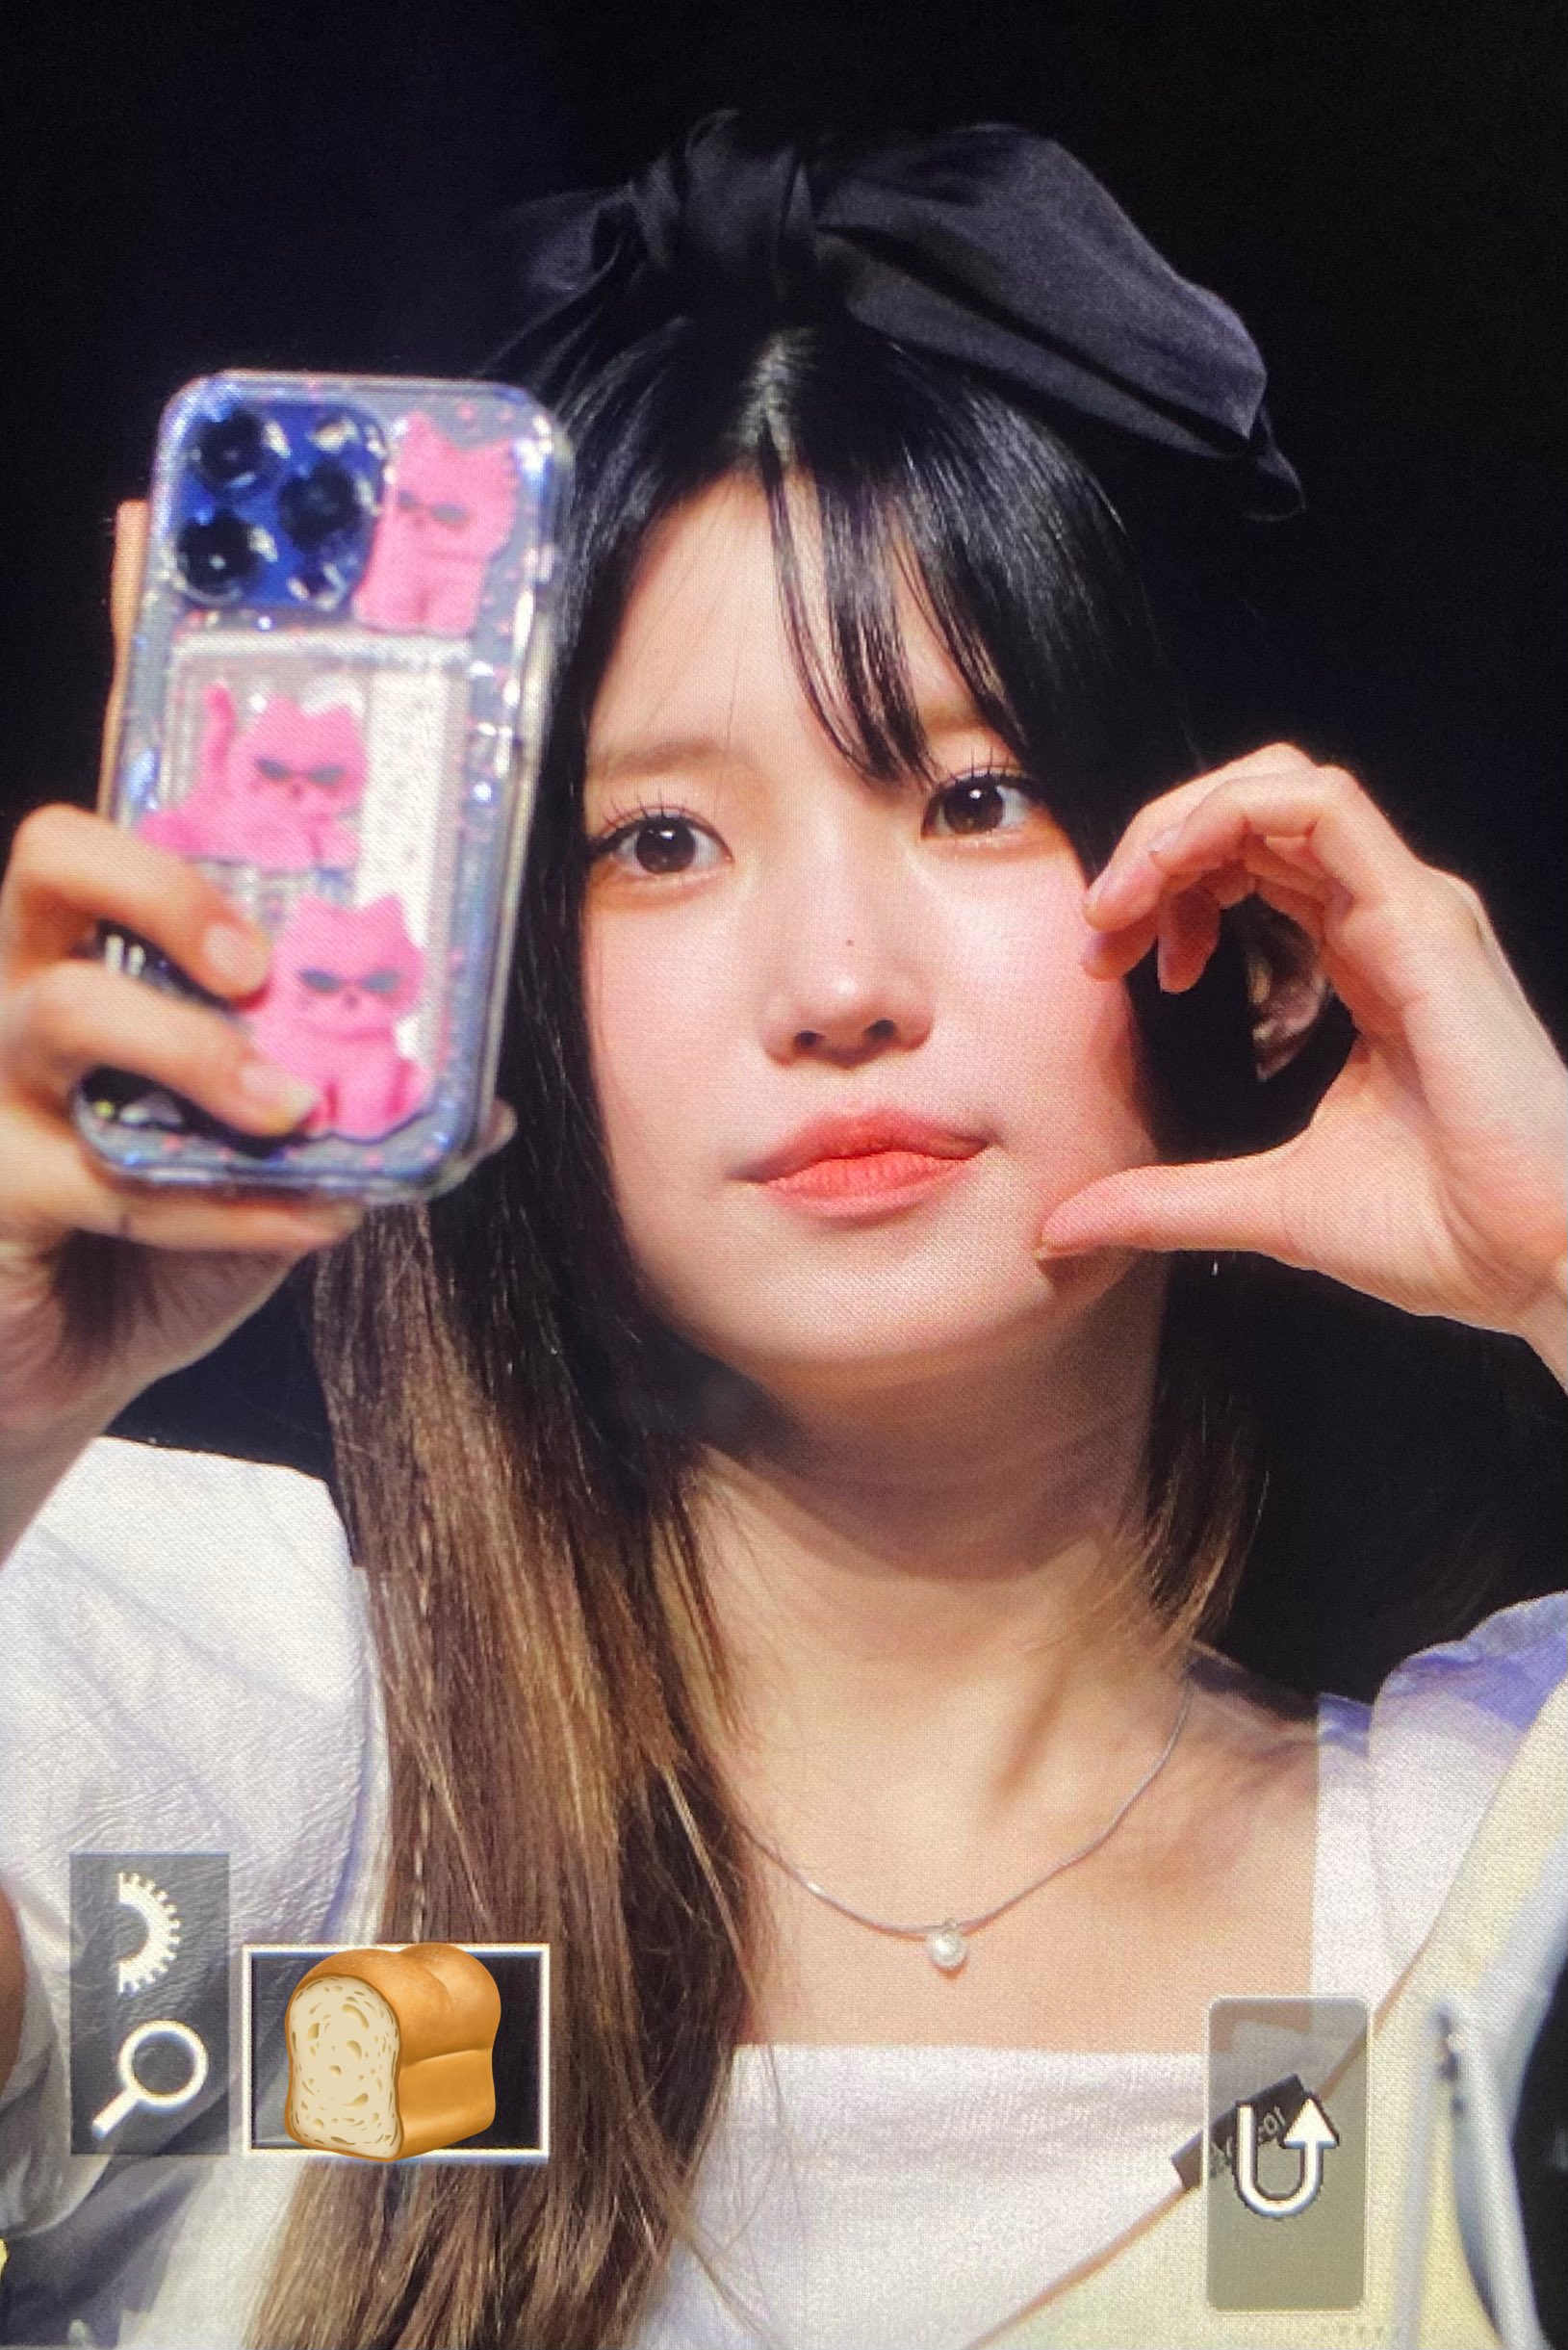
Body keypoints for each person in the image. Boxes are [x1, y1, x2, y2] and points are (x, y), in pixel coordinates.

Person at [0, 115, 1563, 2350]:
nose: (835, 982)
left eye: (971, 797)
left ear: (1251, 924)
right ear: (500, 970)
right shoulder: (278, 1815)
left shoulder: (1466, 1878)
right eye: (655, 841)